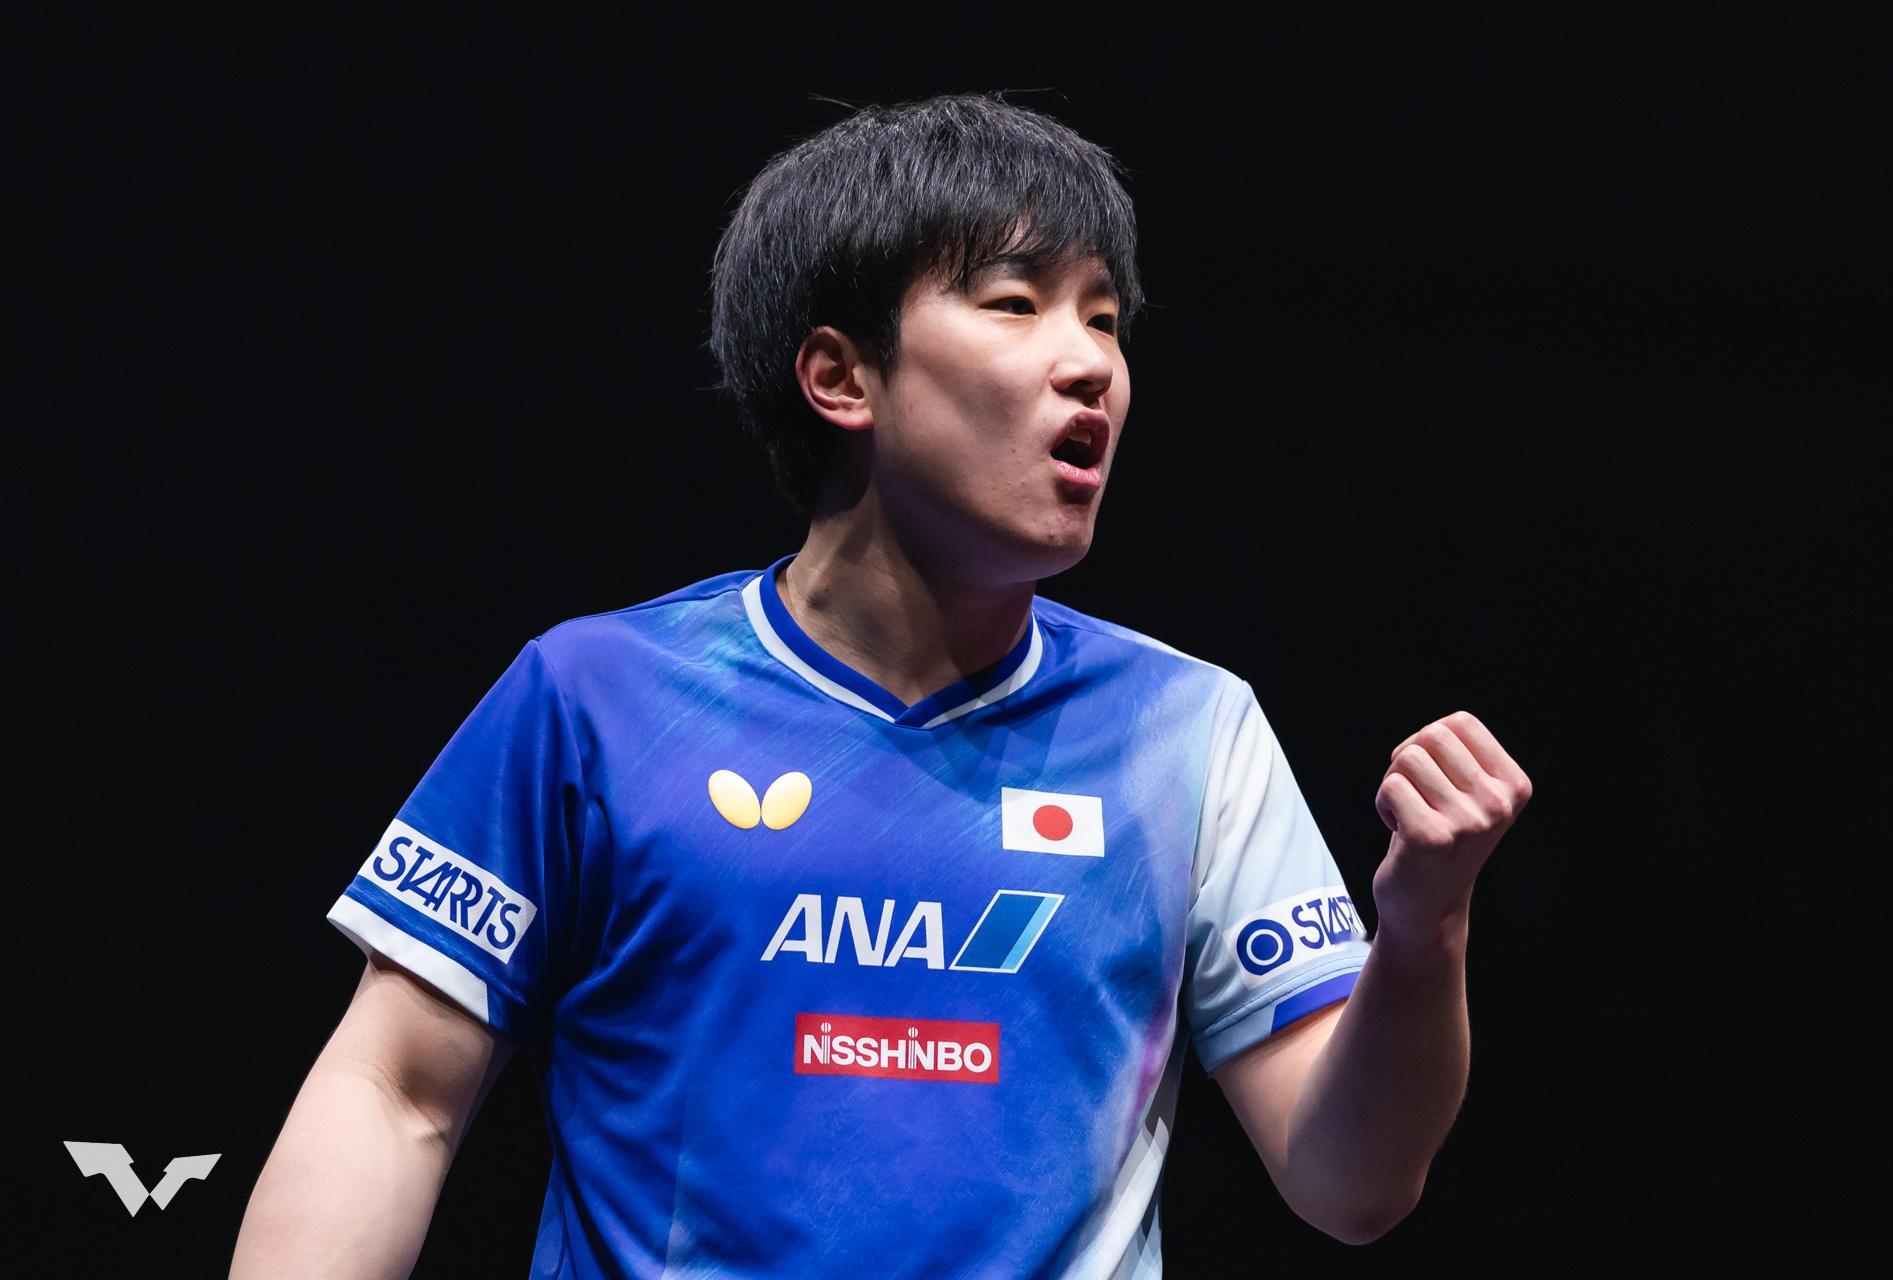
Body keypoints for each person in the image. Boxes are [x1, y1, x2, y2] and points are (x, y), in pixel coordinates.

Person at [231, 90, 1531, 1279]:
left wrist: (1424, 930)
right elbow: (393, 1096)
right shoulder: (595, 700)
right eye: (1016, 304)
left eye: (1103, 317)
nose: (1091, 362)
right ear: (841, 376)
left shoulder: (1188, 732)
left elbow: (1352, 1183)